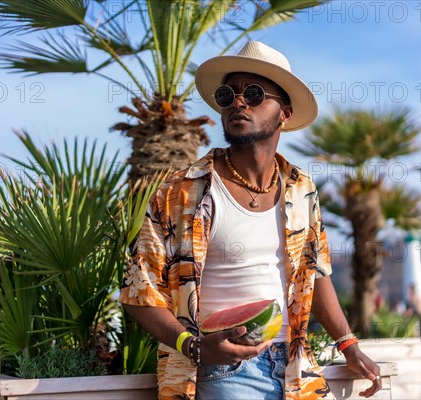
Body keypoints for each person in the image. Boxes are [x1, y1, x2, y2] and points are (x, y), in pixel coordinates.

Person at [120, 41, 381, 399]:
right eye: (229, 95)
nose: (239, 102)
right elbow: (138, 291)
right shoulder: (180, 191)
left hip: (296, 367)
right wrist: (194, 346)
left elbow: (315, 272)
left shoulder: (300, 188)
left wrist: (348, 343)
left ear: (284, 113)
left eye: (254, 93)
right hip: (220, 371)